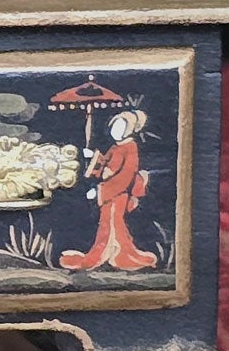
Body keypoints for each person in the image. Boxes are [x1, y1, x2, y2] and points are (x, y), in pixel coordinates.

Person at [59, 109, 158, 273]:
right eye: (114, 126)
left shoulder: (131, 148)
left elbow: (126, 176)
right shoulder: (115, 147)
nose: (115, 131)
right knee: (108, 223)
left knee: (112, 223)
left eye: (120, 127)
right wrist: (93, 156)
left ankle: (113, 254)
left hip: (118, 194)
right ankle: (111, 253)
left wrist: (100, 191)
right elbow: (105, 162)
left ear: (129, 129)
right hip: (110, 193)